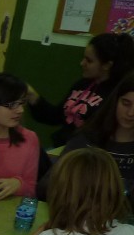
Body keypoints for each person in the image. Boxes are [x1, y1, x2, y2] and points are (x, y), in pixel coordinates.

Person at [27, 33, 134, 147]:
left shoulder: (117, 92)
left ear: (107, 65)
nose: (82, 63)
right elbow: (56, 116)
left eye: (89, 60)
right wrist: (32, 95)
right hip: (63, 147)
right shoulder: (82, 84)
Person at [53, 71, 134, 201]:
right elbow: (52, 182)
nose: (130, 113)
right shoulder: (87, 137)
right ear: (115, 101)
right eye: (126, 103)